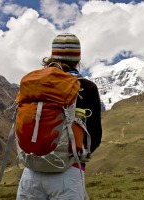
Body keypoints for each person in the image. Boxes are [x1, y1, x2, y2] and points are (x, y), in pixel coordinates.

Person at [16, 33, 102, 200]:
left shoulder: (34, 84)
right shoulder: (86, 87)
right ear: (78, 58)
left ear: (52, 55)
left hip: (31, 171)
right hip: (68, 171)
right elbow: (95, 136)